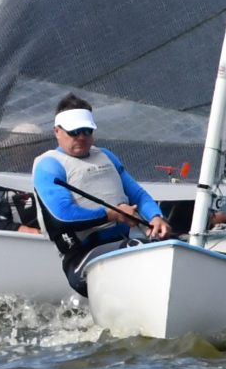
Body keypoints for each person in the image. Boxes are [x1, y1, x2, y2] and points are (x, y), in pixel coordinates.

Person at [13, 96, 167, 297]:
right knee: (141, 248)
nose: (81, 136)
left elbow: (137, 194)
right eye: (74, 131)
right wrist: (113, 214)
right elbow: (62, 217)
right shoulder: (49, 165)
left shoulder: (105, 156)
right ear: (57, 131)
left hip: (121, 246)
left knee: (173, 245)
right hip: (82, 259)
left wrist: (156, 217)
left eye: (87, 130)